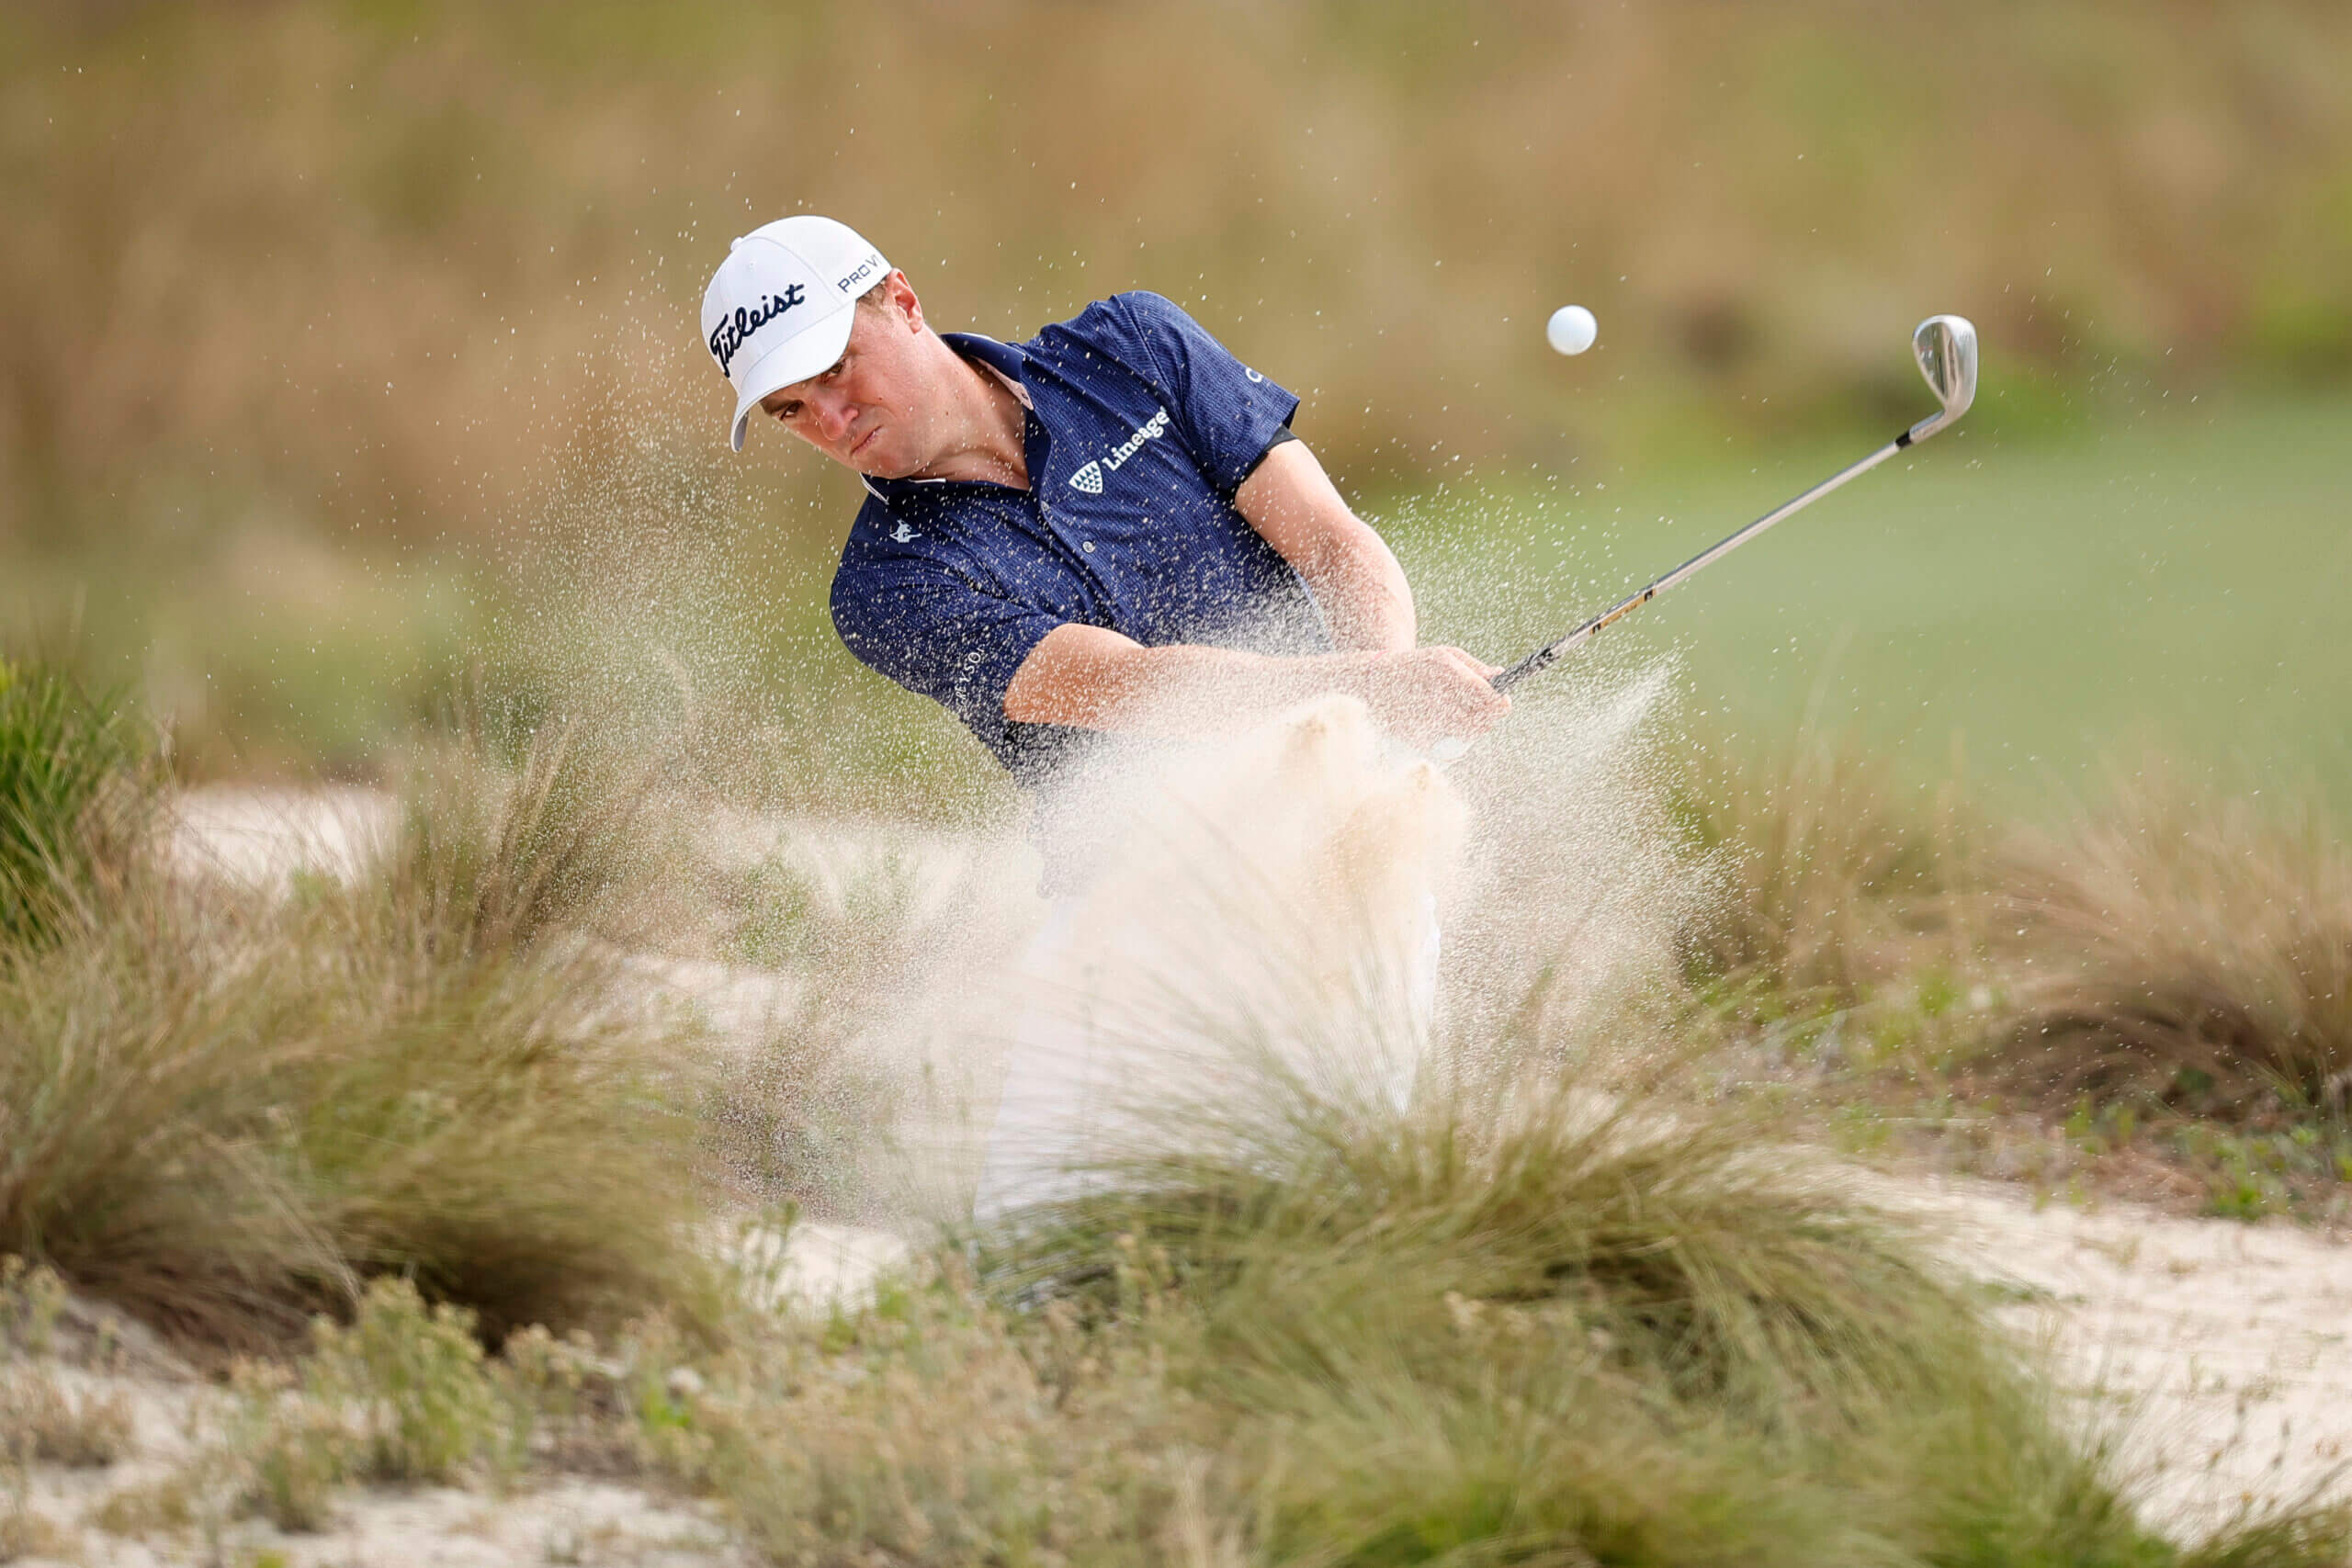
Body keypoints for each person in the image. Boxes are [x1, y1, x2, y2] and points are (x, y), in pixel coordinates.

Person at [702, 215, 1507, 1216]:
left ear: (901, 302)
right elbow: (1130, 688)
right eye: (791, 408)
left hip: (1347, 868)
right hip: (1135, 913)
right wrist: (1366, 693)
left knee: (1357, 1196)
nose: (832, 415)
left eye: (835, 365)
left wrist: (1384, 695)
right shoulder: (886, 583)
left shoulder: (1131, 349)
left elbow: (1333, 544)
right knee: (1040, 1248)